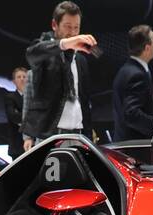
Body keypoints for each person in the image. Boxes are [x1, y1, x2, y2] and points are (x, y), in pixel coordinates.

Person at [22, 1, 95, 148]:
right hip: (51, 136)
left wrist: (88, 133)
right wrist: (65, 43)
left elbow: (84, 101)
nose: (73, 33)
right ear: (54, 25)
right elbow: (32, 53)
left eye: (76, 28)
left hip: (78, 136)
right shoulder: (45, 52)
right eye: (68, 27)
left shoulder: (80, 60)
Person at [112, 24, 153, 141]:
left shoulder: (127, 69)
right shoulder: (136, 75)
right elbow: (131, 114)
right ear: (147, 48)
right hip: (136, 148)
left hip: (127, 143)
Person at [4, 66, 26, 159]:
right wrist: (33, 119)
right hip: (17, 146)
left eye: (24, 77)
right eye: (19, 77)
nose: (22, 79)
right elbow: (13, 116)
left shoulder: (35, 99)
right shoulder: (10, 98)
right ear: (14, 81)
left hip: (35, 145)